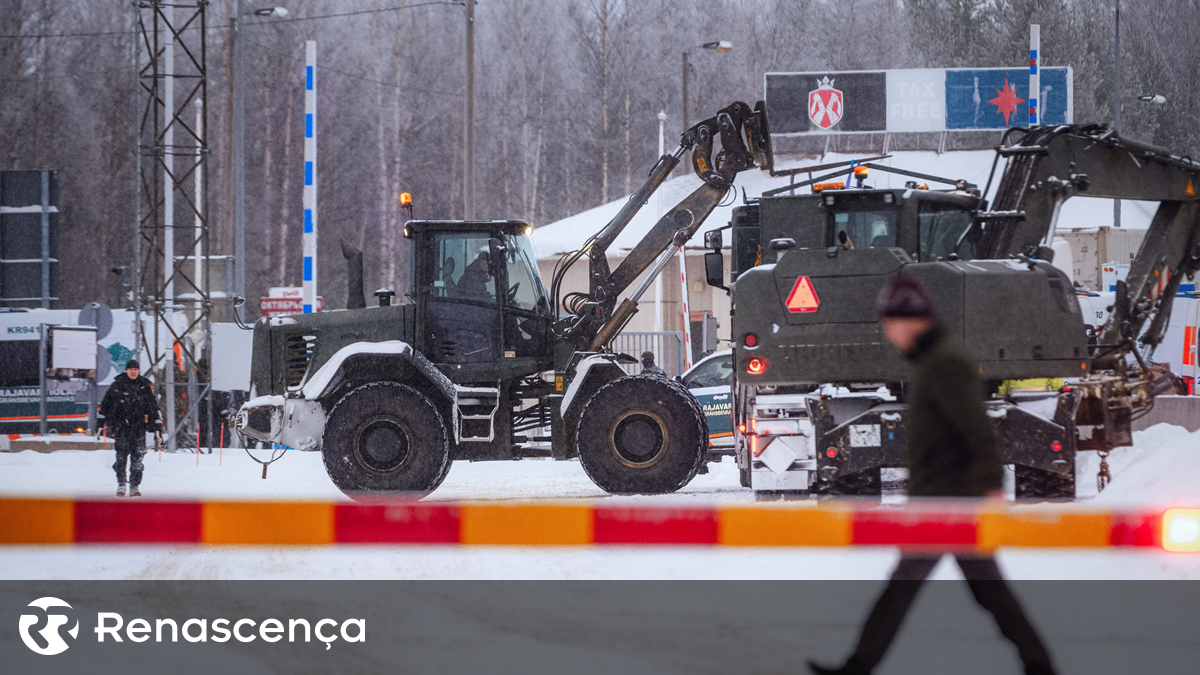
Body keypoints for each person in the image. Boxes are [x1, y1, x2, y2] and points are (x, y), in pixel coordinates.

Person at [808, 274, 1056, 675]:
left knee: (906, 588)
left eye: (889, 324)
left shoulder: (944, 363)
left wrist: (990, 488)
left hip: (950, 500)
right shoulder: (935, 359)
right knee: (984, 592)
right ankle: (1039, 664)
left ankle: (858, 667)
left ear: (909, 320)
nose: (888, 334)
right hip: (945, 498)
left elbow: (977, 429)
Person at [98, 359, 162, 497]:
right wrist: (100, 424)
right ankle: (121, 484)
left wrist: (157, 427)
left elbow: (153, 409)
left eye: (135, 369)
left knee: (137, 459)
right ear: (126, 370)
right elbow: (105, 406)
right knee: (121, 458)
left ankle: (134, 486)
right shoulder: (117, 386)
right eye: (130, 369)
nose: (133, 372)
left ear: (139, 371)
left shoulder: (144, 387)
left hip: (138, 429)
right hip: (121, 429)